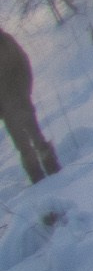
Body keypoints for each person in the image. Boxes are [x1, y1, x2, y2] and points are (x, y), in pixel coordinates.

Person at [0, 28, 58, 183]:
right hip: (6, 109)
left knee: (37, 137)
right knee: (23, 146)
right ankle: (36, 175)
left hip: (21, 99)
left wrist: (24, 90)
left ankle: (52, 167)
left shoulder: (5, 41)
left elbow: (23, 64)